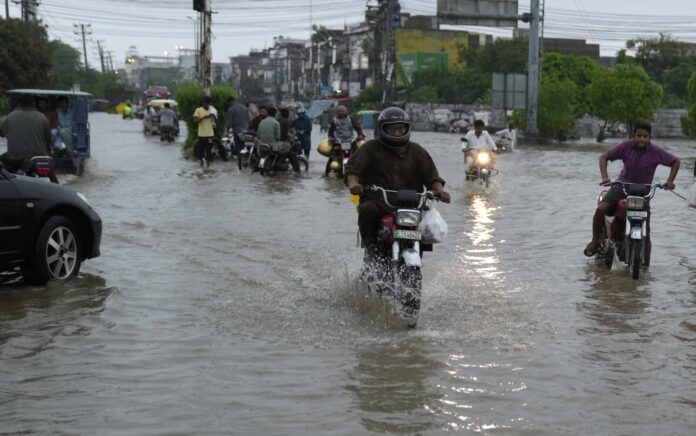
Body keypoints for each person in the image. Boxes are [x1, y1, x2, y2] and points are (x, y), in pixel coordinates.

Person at [345, 107, 451, 256]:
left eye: (400, 129)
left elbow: (433, 177)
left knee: (425, 225)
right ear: (383, 129)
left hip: (411, 205)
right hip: (378, 202)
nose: (396, 133)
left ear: (406, 129)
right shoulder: (370, 148)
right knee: (367, 209)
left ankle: (417, 249)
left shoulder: (417, 151)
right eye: (392, 129)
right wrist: (354, 185)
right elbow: (352, 171)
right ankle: (371, 247)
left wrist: (440, 192)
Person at [583, 121, 680, 266]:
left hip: (641, 195)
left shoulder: (656, 151)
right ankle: (595, 241)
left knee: (646, 231)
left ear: (650, 137)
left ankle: (646, 267)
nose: (642, 139)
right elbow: (604, 157)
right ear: (633, 135)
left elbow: (675, 161)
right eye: (639, 135)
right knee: (601, 208)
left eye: (645, 136)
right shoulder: (625, 146)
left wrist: (670, 181)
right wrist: (605, 177)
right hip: (619, 189)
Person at [0, 93, 58, 183]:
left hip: (14, 159)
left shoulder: (11, 117)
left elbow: (1, 132)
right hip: (39, 159)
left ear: (19, 104)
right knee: (54, 182)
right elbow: (50, 141)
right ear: (34, 103)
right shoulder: (42, 118)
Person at [257, 106, 300, 173]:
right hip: (272, 145)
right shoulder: (276, 123)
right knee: (288, 148)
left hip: (261, 145)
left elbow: (258, 136)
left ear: (267, 113)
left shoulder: (261, 122)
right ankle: (280, 164)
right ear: (275, 114)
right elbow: (278, 137)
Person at [192, 96, 216, 167]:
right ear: (203, 103)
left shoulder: (212, 110)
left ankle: (208, 163)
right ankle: (202, 161)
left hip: (210, 134)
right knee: (201, 150)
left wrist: (213, 116)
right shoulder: (198, 110)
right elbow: (195, 121)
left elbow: (217, 122)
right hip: (201, 134)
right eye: (206, 104)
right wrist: (203, 118)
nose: (207, 105)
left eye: (209, 104)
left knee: (209, 150)